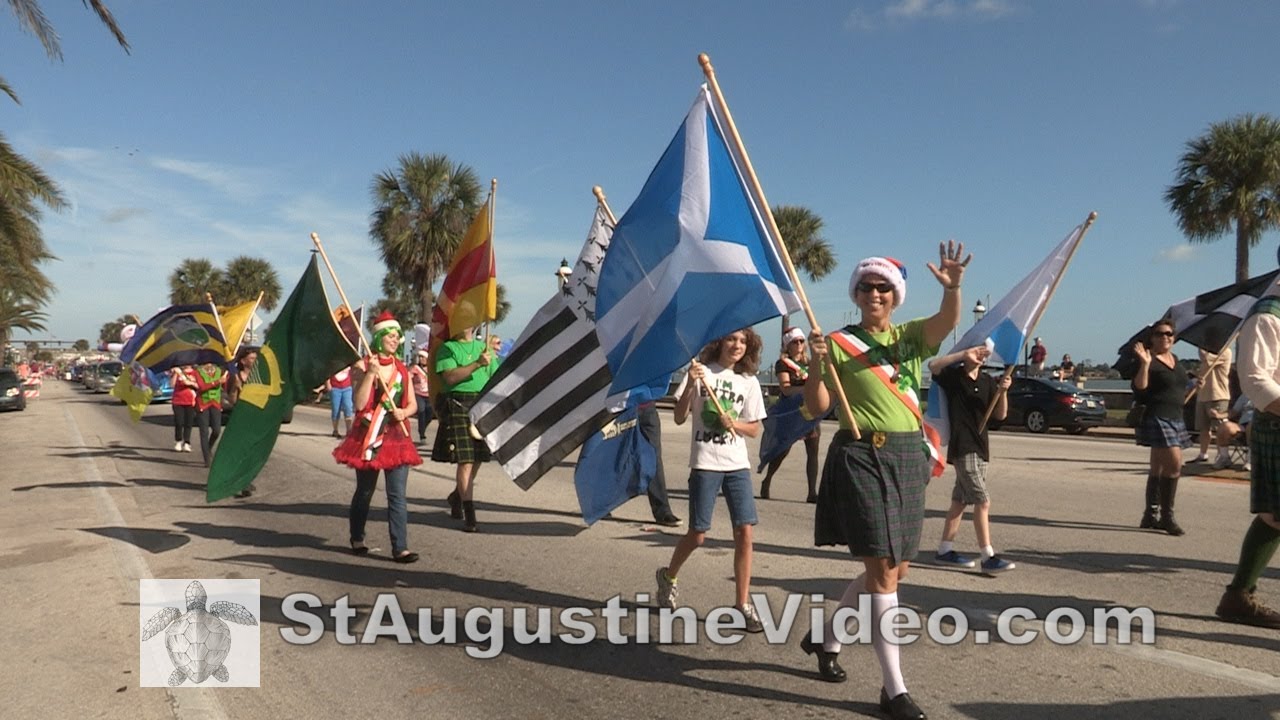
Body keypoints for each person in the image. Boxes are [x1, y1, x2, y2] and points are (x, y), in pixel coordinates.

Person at [800, 245, 970, 720]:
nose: (874, 293)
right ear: (856, 294)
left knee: (896, 571)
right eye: (866, 287)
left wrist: (953, 288)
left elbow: (944, 319)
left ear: (894, 297)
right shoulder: (836, 343)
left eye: (883, 288)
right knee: (882, 573)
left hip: (907, 456)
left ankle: (826, 637)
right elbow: (816, 407)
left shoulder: (911, 338)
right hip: (861, 453)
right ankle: (893, 689)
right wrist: (816, 363)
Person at [655, 328, 767, 633]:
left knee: (745, 532)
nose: (738, 345)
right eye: (732, 339)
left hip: (737, 465)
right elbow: (679, 416)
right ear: (720, 343)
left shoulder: (749, 382)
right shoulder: (702, 373)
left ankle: (742, 603)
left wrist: (737, 424)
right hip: (705, 463)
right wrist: (691, 382)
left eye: (743, 341)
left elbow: (755, 429)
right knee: (698, 534)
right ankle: (668, 576)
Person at [332, 312, 423, 563]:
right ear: (380, 337)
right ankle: (357, 537)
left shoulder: (402, 370)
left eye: (397, 337)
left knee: (397, 495)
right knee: (365, 491)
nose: (395, 340)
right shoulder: (362, 366)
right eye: (391, 336)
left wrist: (404, 411)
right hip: (370, 437)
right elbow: (359, 403)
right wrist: (371, 374)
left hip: (397, 437)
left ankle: (400, 547)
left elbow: (413, 404)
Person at [1214, 292, 1280, 628]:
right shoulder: (1268, 315)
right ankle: (1238, 595)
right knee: (1274, 515)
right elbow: (1254, 378)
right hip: (1278, 421)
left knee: (1275, 516)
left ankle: (1238, 595)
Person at [928, 343, 1016, 573]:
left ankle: (944, 550)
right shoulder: (954, 378)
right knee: (982, 500)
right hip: (962, 446)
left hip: (981, 448)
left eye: (984, 354)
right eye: (978, 352)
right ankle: (988, 555)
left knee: (960, 500)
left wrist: (1002, 392)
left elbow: (1000, 415)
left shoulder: (988, 381)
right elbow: (933, 366)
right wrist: (960, 355)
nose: (982, 356)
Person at [432, 325, 500, 532]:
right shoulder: (447, 348)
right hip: (457, 404)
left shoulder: (484, 348)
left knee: (478, 457)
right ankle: (469, 514)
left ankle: (456, 496)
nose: (467, 324)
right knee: (466, 460)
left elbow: (497, 380)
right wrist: (477, 363)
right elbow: (450, 377)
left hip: (481, 405)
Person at [1132, 319, 1195, 536]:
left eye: (1169, 334)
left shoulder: (1175, 360)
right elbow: (1140, 387)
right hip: (1158, 417)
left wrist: (1194, 387)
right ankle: (1167, 517)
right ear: (1152, 338)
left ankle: (1150, 515)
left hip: (1176, 416)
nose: (1166, 337)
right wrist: (1145, 364)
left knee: (1158, 468)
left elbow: (1179, 391)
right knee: (1175, 465)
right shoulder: (1151, 360)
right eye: (1160, 334)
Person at [760, 326, 821, 503]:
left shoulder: (810, 363)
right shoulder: (783, 364)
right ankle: (768, 479)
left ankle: (812, 491)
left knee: (813, 451)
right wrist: (808, 387)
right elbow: (786, 389)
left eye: (802, 341)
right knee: (783, 449)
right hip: (791, 412)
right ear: (788, 345)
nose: (800, 344)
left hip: (809, 410)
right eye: (796, 342)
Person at [223, 347, 260, 498]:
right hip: (240, 418)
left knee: (253, 452)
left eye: (255, 358)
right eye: (252, 358)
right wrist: (235, 389)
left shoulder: (259, 376)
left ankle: (246, 479)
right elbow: (232, 401)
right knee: (242, 451)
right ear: (243, 361)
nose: (255, 361)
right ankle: (243, 482)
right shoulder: (236, 377)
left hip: (255, 417)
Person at [1194, 346, 1233, 463]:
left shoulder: (1225, 351)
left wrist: (1200, 346)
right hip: (1203, 395)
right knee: (1203, 428)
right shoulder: (1208, 351)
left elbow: (1206, 359)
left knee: (1219, 428)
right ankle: (1203, 454)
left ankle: (1222, 455)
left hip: (1218, 395)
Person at [192, 362, 225, 468]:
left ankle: (209, 447)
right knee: (204, 432)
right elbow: (201, 387)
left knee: (216, 430)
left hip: (215, 403)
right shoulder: (198, 372)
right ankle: (207, 459)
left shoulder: (220, 371)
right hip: (203, 403)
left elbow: (225, 386)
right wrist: (217, 382)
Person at [1211, 394, 1253, 471]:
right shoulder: (1245, 395)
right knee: (1224, 426)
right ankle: (1224, 457)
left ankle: (1251, 460)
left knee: (1252, 426)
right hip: (1243, 425)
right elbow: (1233, 412)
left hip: (1261, 425)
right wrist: (1219, 415)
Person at [169, 365, 198, 453]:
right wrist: (175, 373)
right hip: (178, 401)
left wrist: (190, 383)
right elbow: (172, 385)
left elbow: (198, 385)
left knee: (188, 423)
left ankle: (187, 442)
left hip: (190, 401)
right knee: (179, 422)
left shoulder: (195, 373)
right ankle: (178, 440)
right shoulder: (178, 371)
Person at [408, 350, 435, 444]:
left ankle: (422, 427)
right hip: (418, 393)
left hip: (429, 394)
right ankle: (422, 434)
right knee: (421, 411)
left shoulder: (431, 368)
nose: (421, 359)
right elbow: (408, 378)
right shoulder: (415, 368)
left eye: (423, 357)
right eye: (420, 357)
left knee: (430, 414)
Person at [326, 365, 355, 439]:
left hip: (347, 387)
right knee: (336, 410)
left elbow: (354, 371)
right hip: (335, 387)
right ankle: (335, 430)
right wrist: (328, 383)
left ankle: (349, 431)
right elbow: (327, 372)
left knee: (348, 408)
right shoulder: (333, 361)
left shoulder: (349, 360)